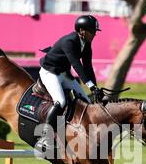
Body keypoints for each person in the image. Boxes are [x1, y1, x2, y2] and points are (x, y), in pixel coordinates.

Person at [35, 15, 104, 153]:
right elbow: (76, 64)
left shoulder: (86, 43)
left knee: (85, 101)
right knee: (60, 101)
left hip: (63, 73)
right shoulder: (69, 41)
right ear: (82, 31)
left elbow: (88, 67)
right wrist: (89, 85)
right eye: (92, 31)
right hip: (50, 72)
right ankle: (44, 137)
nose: (95, 34)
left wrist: (95, 87)